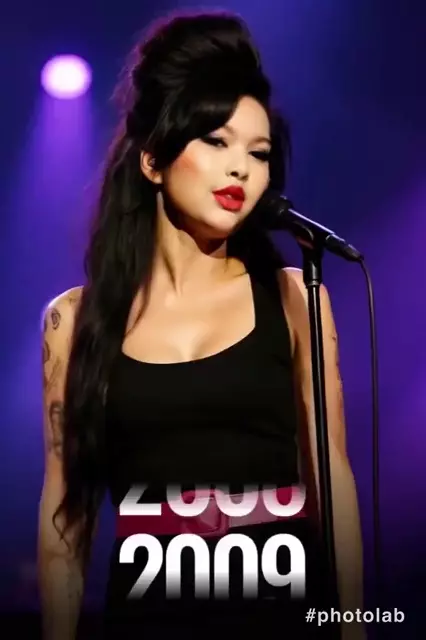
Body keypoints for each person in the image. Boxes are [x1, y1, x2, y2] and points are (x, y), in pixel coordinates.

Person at [38, 10, 365, 640]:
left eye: (258, 154)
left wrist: (354, 626)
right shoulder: (75, 322)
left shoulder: (294, 298)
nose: (241, 168)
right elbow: (64, 524)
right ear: (153, 160)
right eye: (217, 142)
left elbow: (334, 479)